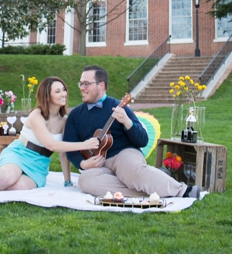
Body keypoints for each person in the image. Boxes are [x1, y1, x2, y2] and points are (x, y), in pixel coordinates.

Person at [63, 65, 201, 198]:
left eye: (86, 83)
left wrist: (127, 122)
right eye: (80, 84)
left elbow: (142, 140)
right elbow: (70, 148)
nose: (82, 88)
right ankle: (151, 186)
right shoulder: (75, 115)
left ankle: (182, 190)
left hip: (123, 155)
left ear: (101, 85)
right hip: (98, 164)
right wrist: (82, 164)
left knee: (132, 172)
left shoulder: (119, 107)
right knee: (86, 181)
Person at [0, 77, 100, 191]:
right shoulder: (36, 115)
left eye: (64, 90)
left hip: (39, 164)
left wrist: (67, 180)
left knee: (18, 187)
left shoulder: (65, 120)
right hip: (19, 153)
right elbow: (50, 144)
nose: (63, 94)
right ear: (47, 96)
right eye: (57, 91)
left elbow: (63, 153)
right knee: (8, 178)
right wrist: (83, 145)